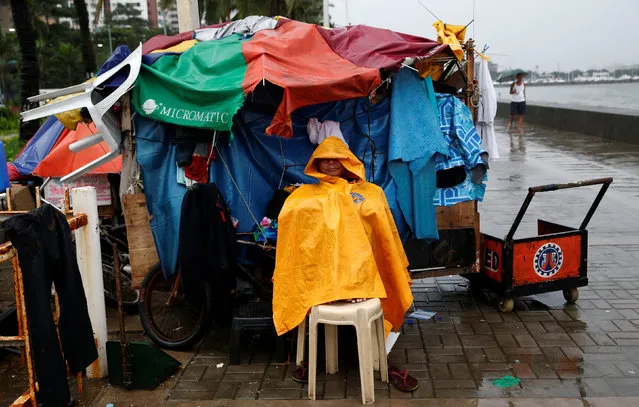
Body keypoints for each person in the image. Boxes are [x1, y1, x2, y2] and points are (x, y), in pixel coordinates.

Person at [272, 137, 418, 392]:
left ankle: (377, 355)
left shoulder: (371, 193)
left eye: (336, 158)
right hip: (322, 279)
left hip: (367, 276)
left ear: (347, 160)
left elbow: (385, 238)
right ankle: (319, 354)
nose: (330, 163)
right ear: (315, 163)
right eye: (324, 159)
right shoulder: (305, 195)